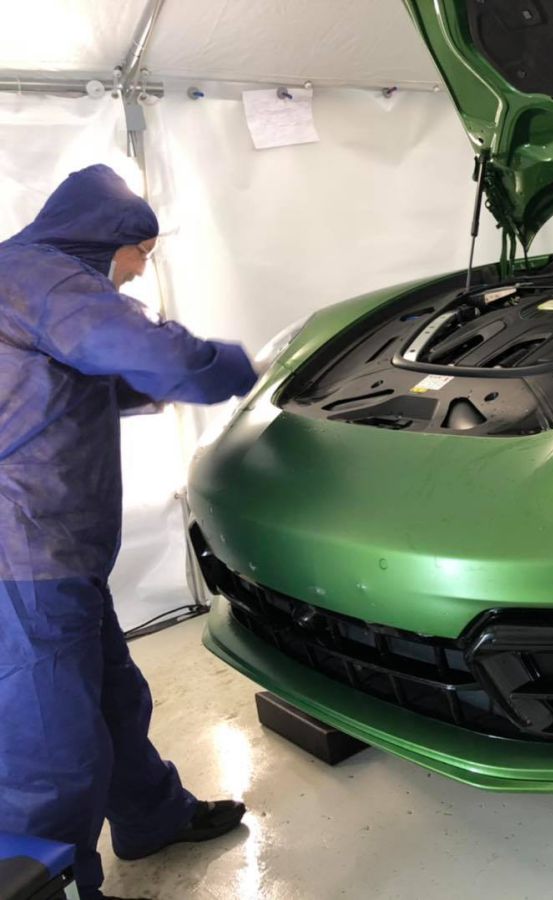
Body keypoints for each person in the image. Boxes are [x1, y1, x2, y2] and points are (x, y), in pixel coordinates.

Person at [0, 165, 259, 900]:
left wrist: (157, 385)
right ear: (106, 237)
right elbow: (159, 354)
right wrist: (241, 367)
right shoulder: (48, 279)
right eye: (141, 252)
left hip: (58, 550)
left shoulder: (20, 278)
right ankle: (47, 885)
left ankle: (151, 817)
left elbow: (70, 380)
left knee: (114, 696)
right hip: (24, 557)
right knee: (51, 745)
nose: (141, 270)